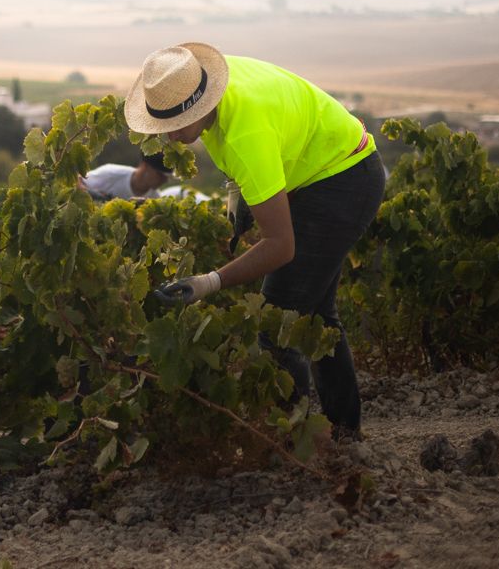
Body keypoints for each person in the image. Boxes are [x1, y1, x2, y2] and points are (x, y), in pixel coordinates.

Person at [124, 42, 386, 437]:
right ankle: (344, 434)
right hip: (329, 165)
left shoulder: (244, 135)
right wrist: (237, 189)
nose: (173, 136)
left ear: (200, 103)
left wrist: (209, 282)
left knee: (275, 324)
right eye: (163, 126)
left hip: (342, 181)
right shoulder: (210, 82)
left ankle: (294, 443)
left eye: (179, 124)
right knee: (314, 314)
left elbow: (281, 246)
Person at [79, 152, 171, 201]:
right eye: (160, 175)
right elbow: (78, 180)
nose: (164, 180)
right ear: (145, 166)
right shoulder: (111, 173)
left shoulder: (155, 199)